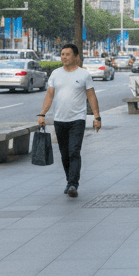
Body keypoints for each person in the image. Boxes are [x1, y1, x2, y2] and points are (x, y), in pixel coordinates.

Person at [37, 43, 101, 198]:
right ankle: (69, 180)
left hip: (77, 120)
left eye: (67, 54)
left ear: (76, 57)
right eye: (62, 54)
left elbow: (91, 96)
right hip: (59, 120)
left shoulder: (83, 75)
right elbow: (50, 95)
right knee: (64, 154)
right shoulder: (55, 74)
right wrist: (42, 114)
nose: (64, 57)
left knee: (74, 151)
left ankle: (73, 183)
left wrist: (97, 117)